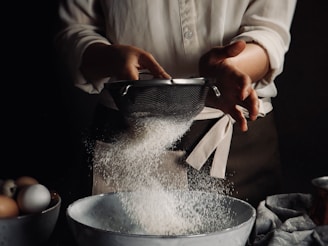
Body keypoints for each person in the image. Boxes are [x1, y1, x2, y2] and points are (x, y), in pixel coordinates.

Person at [55, 0, 297, 207]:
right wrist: (110, 57)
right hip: (131, 139)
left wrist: (233, 68)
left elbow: (270, 31)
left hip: (238, 138)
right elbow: (74, 29)